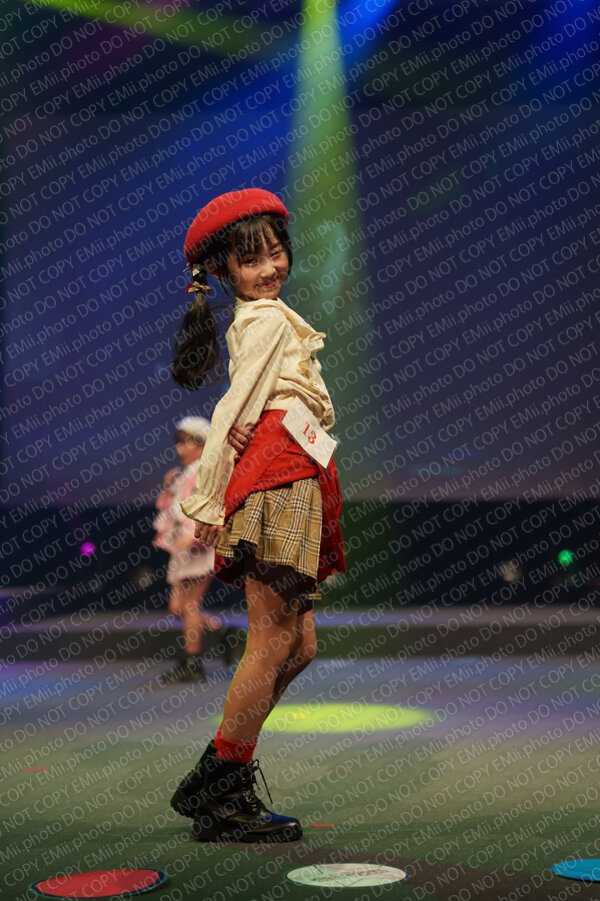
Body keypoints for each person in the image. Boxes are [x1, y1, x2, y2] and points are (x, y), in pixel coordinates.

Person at [168, 188, 346, 843]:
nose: (270, 267)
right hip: (278, 474)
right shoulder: (267, 319)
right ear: (223, 271)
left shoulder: (268, 315)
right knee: (273, 640)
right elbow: (231, 411)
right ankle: (225, 791)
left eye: (276, 252)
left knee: (299, 643)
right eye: (251, 260)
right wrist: (211, 496)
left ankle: (217, 768)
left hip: (295, 466)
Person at [153, 416, 249, 684]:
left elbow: (206, 507)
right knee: (177, 607)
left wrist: (190, 535)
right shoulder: (185, 474)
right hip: (184, 549)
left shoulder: (204, 472)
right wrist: (168, 489)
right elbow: (173, 510)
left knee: (190, 606)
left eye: (187, 442)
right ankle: (225, 633)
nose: (180, 448)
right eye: (179, 443)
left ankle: (192, 663)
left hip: (197, 546)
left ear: (203, 443)